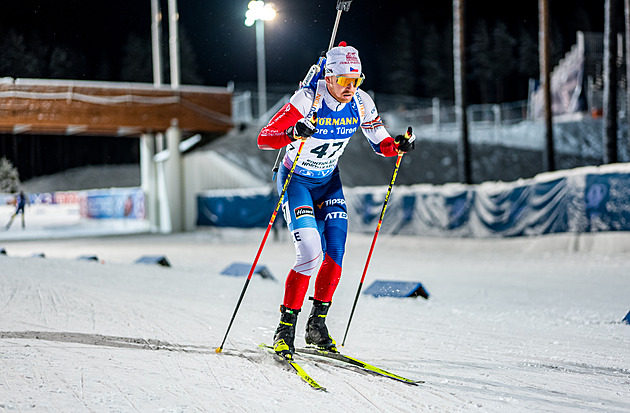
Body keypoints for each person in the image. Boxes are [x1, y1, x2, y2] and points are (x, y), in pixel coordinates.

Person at [257, 42, 416, 359]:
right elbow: (264, 138)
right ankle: (285, 329)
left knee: (336, 253)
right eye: (344, 80)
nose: (350, 87)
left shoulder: (360, 101)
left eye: (356, 80)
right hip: (296, 181)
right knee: (310, 253)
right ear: (329, 77)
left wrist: (397, 145)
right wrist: (293, 132)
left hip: (329, 182)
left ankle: (317, 326)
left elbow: (379, 141)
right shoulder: (307, 99)